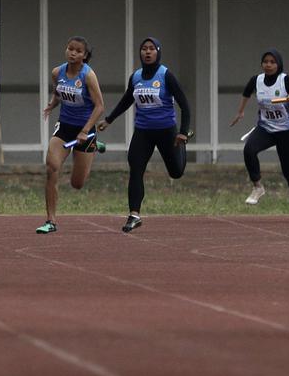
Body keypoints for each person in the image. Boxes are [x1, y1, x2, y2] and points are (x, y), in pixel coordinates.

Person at [97, 36, 192, 233]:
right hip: (143, 131)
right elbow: (126, 100)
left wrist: (182, 132)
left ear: (158, 52)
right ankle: (134, 215)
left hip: (167, 131)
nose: (147, 52)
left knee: (176, 172)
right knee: (135, 168)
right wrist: (109, 119)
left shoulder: (166, 75)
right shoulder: (136, 77)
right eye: (144, 49)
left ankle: (183, 144)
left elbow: (185, 104)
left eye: (151, 48)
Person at [228, 48, 289, 222]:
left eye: (272, 62)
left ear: (278, 64)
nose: (268, 65)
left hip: (285, 132)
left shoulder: (286, 80)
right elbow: (246, 92)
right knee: (249, 150)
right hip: (265, 128)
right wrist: (240, 112)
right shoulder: (257, 80)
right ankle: (257, 187)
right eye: (265, 62)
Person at [36, 36, 106, 233]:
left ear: (84, 56)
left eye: (78, 51)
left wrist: (85, 131)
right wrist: (52, 104)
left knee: (77, 184)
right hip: (64, 127)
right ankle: (51, 220)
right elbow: (59, 93)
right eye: (70, 49)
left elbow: (100, 106)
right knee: (51, 167)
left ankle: (93, 146)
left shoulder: (88, 76)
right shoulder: (57, 72)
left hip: (85, 130)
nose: (73, 53)